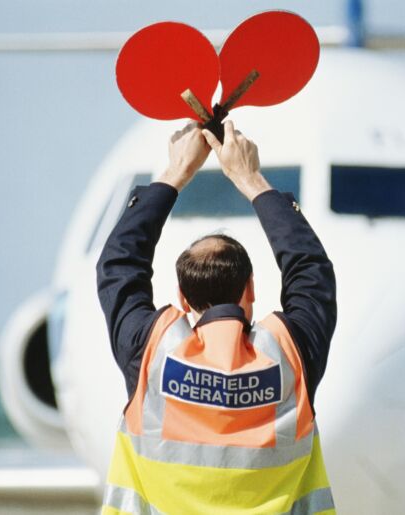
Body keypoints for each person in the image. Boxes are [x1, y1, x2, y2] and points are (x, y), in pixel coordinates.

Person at [96, 120, 337, 514]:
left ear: (182, 299)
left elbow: (118, 264)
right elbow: (312, 272)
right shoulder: (289, 356)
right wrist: (251, 179)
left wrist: (176, 173)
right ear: (251, 289)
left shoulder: (153, 355)